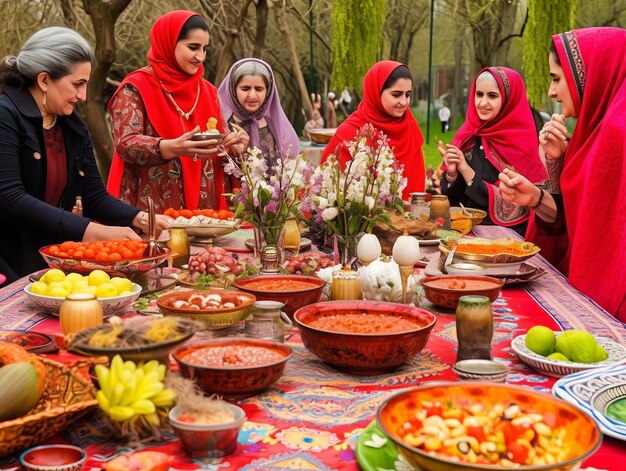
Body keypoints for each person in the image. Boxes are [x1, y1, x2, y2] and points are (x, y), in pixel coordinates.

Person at [0, 27, 167, 283]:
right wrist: (91, 230)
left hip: (51, 261)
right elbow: (10, 197)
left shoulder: (72, 124)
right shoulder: (5, 115)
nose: (83, 95)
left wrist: (141, 218)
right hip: (8, 262)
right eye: (77, 84)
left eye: (85, 84)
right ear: (44, 80)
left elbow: (93, 195)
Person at [499, 27, 626, 320]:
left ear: (588, 74)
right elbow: (582, 220)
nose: (551, 91)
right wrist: (539, 194)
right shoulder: (596, 128)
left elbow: (603, 242)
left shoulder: (615, 134)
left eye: (557, 78)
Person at [107, 10, 246, 213]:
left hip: (204, 215)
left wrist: (234, 148)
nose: (201, 57)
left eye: (204, 49)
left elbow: (218, 148)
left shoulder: (208, 91)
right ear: (169, 43)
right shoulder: (135, 87)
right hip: (150, 212)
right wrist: (169, 147)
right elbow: (125, 143)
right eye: (193, 47)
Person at [439, 67, 548, 236]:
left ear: (508, 100)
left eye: (492, 96)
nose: (483, 103)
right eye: (479, 94)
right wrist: (452, 174)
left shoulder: (521, 142)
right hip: (465, 233)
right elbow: (452, 201)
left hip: (508, 239)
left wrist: (467, 172)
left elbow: (518, 204)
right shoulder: (468, 135)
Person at [321, 60, 426, 197]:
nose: (404, 102)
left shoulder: (410, 128)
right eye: (396, 94)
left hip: (407, 216)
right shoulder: (350, 131)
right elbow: (325, 185)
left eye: (407, 94)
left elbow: (416, 185)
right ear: (376, 91)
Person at [217, 58, 300, 165]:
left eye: (259, 89)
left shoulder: (276, 125)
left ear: (268, 91)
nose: (252, 95)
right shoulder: (221, 125)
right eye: (245, 88)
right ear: (233, 89)